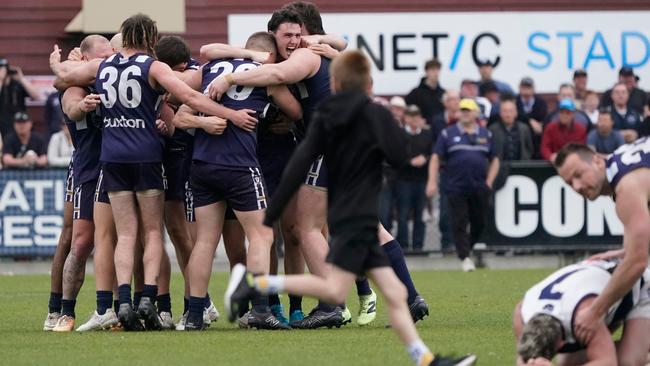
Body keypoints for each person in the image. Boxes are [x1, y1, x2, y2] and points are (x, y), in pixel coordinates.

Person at [224, 49, 475, 366]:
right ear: (368, 84)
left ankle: (426, 360)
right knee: (336, 290)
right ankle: (255, 284)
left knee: (392, 296)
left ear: (335, 83)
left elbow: (299, 164)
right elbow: (399, 156)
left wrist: (271, 216)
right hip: (358, 218)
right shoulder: (377, 114)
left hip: (348, 217)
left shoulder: (326, 114)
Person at [49, 13, 257, 331]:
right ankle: (149, 297)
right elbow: (189, 96)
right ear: (149, 38)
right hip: (146, 157)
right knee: (151, 232)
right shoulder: (152, 67)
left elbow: (64, 75)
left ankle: (121, 301)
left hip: (112, 159)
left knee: (126, 235)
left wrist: (56, 62)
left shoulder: (103, 66)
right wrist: (230, 113)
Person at [175, 31, 302, 330]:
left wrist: (205, 120)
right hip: (239, 165)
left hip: (203, 163)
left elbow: (180, 110)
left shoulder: (212, 69)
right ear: (268, 55)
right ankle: (260, 309)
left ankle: (194, 315)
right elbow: (296, 111)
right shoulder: (266, 74)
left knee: (205, 242)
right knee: (261, 236)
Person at [553, 139, 650, 352]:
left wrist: (595, 312)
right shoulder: (622, 164)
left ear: (597, 161)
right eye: (570, 183)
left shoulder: (626, 187)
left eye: (578, 175)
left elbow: (637, 263)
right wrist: (626, 250)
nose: (577, 187)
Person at [513, 259, 650, 365]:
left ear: (562, 343)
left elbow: (607, 362)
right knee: (567, 363)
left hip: (633, 280)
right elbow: (523, 357)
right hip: (597, 284)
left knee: (627, 361)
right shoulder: (521, 315)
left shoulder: (583, 319)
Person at [426, 98, 499, 272]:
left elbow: (495, 159)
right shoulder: (447, 134)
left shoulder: (486, 134)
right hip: (455, 187)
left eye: (468, 110)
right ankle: (465, 257)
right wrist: (431, 181)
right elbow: (436, 157)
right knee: (459, 222)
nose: (465, 113)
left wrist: (489, 181)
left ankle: (467, 248)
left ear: (476, 113)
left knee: (479, 222)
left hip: (479, 187)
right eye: (462, 110)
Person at [396, 105, 433, 251]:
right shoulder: (399, 134)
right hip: (404, 180)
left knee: (420, 215)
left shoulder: (427, 134)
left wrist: (425, 158)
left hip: (421, 180)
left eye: (416, 116)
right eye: (411, 116)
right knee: (403, 215)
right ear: (405, 118)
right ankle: (403, 246)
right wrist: (409, 161)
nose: (414, 119)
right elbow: (394, 155)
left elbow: (432, 153)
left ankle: (418, 246)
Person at [0, 57, 41, 138]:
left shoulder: (17, 84)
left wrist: (21, 78)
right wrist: (0, 80)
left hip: (20, 123)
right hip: (2, 127)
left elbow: (36, 96)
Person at [488, 97, 534, 161]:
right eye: (505, 111)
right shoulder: (492, 129)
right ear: (500, 113)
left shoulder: (524, 128)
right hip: (500, 167)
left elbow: (529, 148)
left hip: (521, 166)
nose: (508, 114)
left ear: (516, 113)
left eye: (511, 111)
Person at [516, 77, 547, 159]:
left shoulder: (541, 102)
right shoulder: (515, 101)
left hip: (536, 137)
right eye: (524, 88)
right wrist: (530, 121)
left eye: (528, 88)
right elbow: (516, 116)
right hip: (519, 136)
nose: (526, 91)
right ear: (519, 88)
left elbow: (542, 120)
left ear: (533, 89)